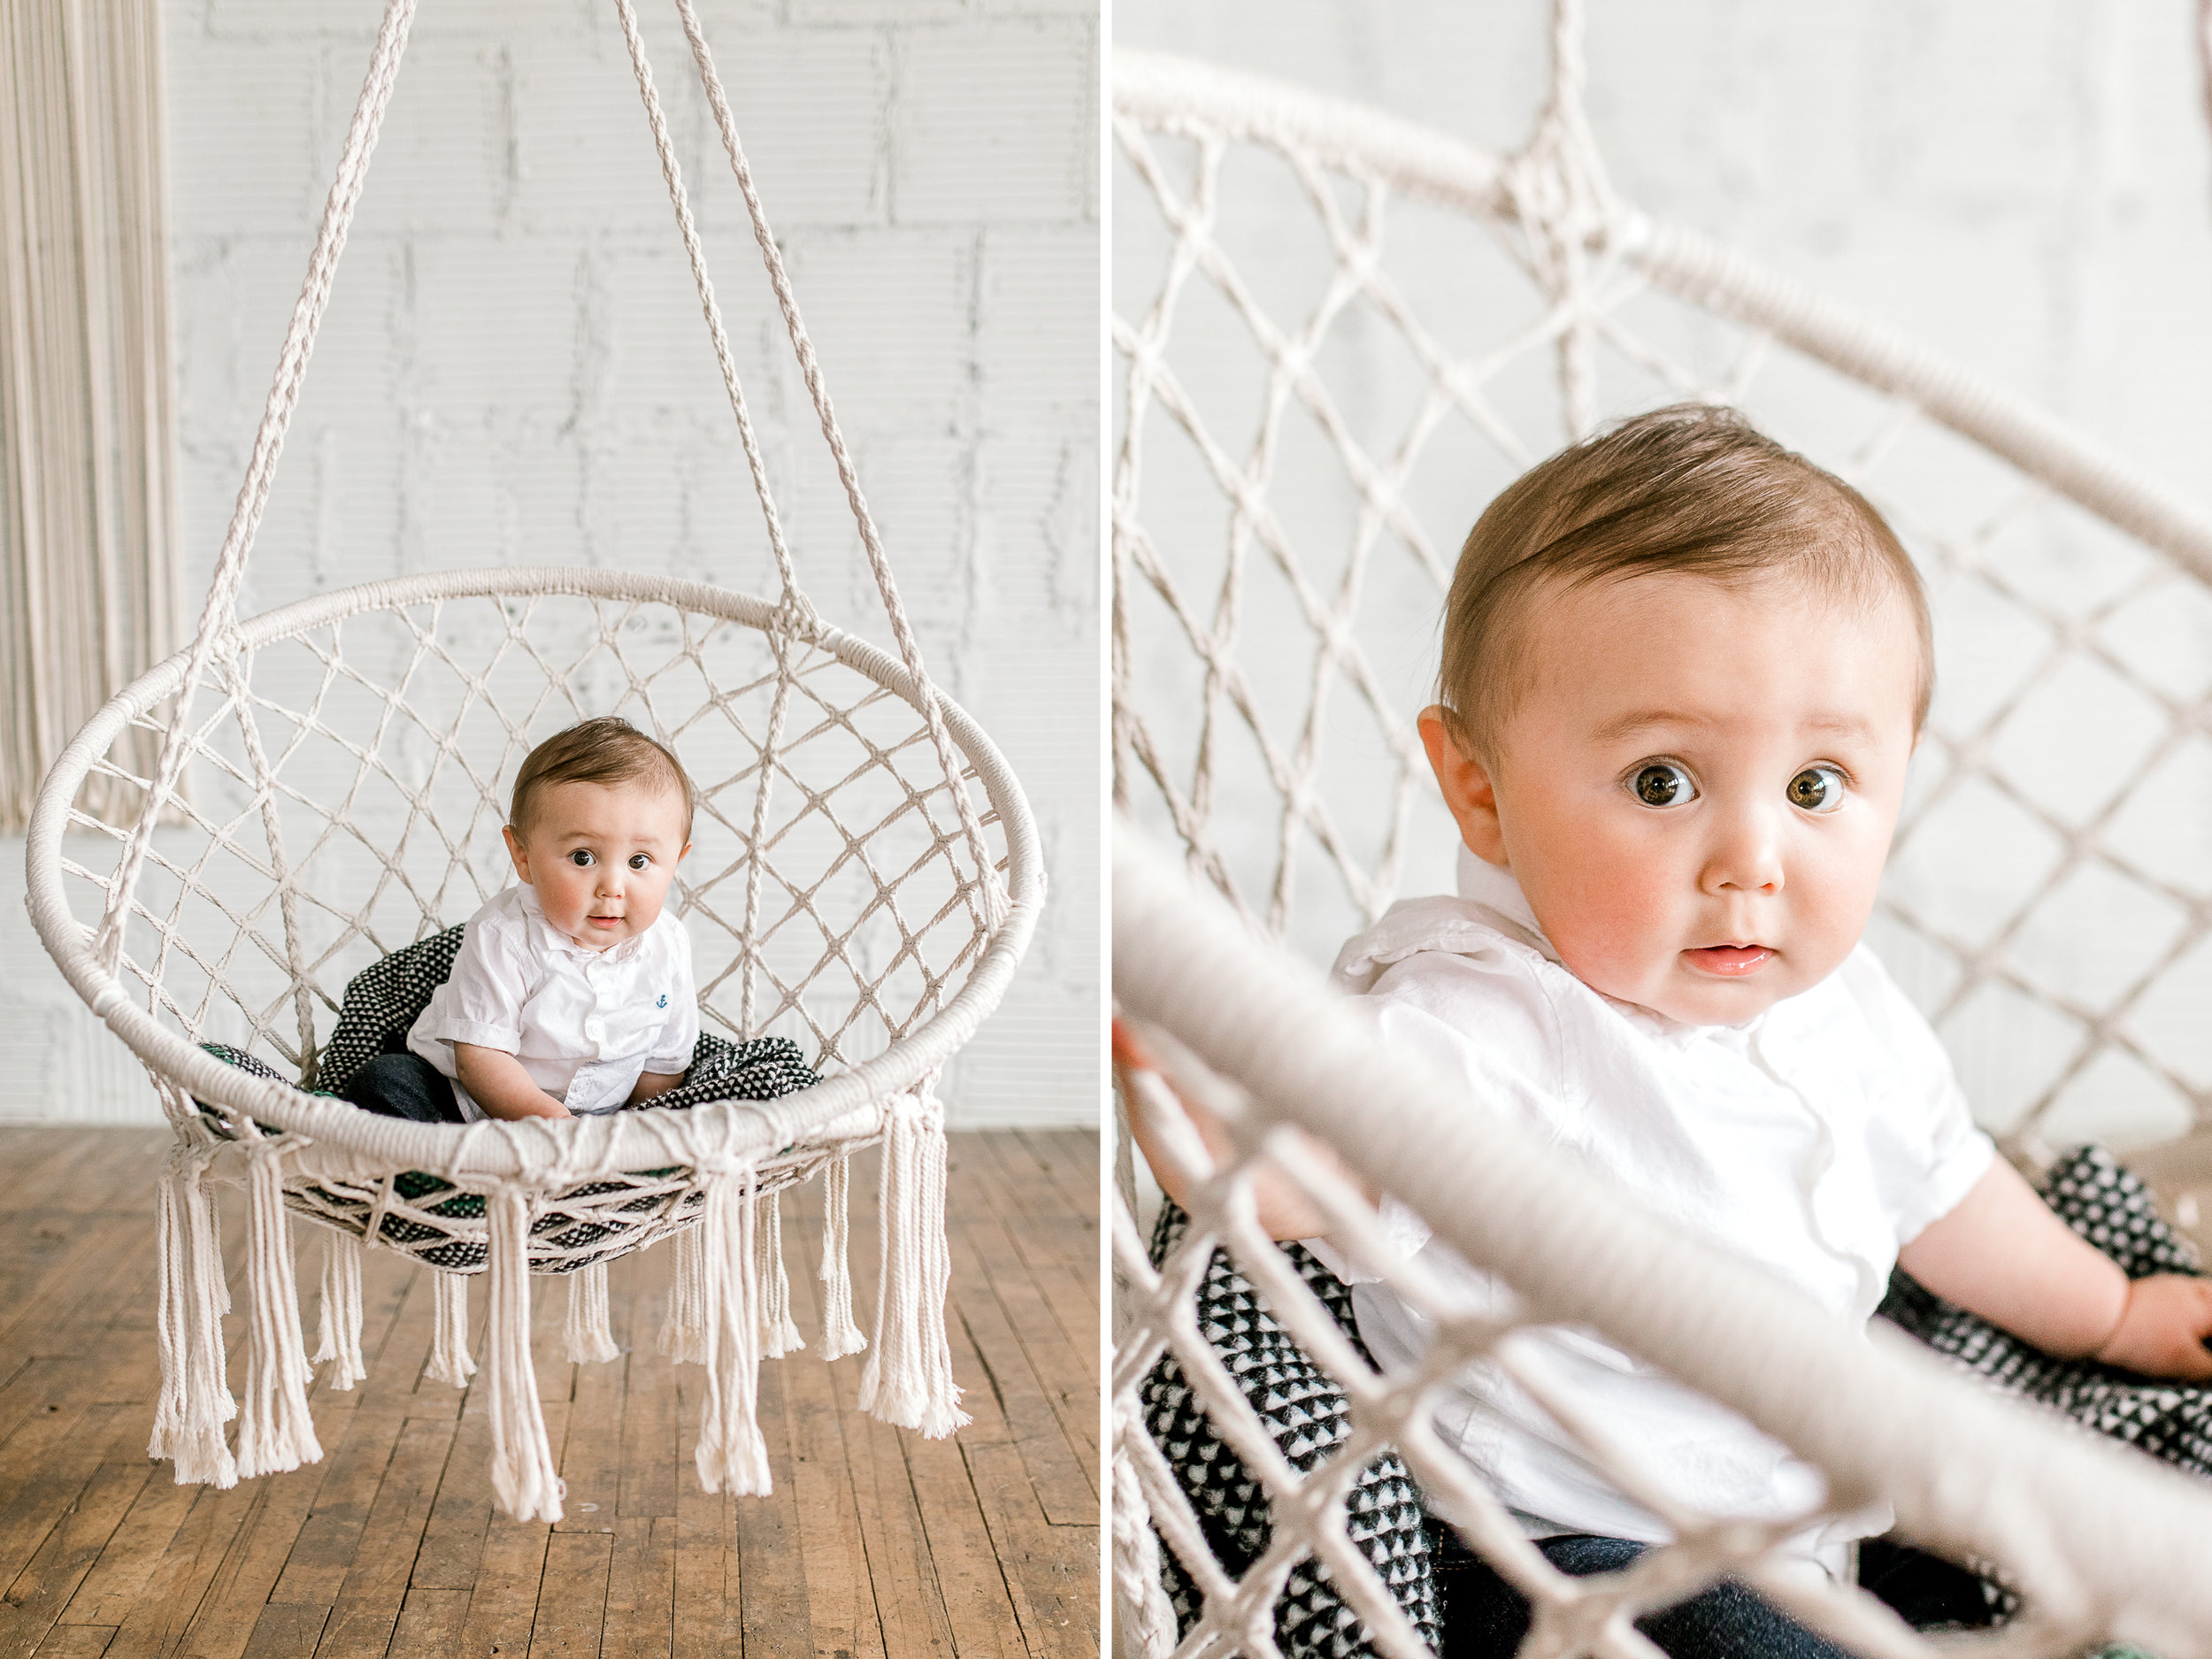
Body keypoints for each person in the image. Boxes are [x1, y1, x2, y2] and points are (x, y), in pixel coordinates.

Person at [1123, 404, 2212, 1655]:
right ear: (1481, 789)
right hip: (1571, 1552)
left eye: (1815, 787)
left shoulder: (1844, 1004)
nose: (1752, 862)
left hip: (1811, 1513)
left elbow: (1951, 1187)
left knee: (2068, 1566)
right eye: (1663, 780)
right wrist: (1195, 1098)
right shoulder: (1486, 1022)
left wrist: (2112, 1312)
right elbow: (1304, 1168)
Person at [342, 715, 698, 1124]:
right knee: (383, 1082)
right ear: (523, 856)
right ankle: (451, 1174)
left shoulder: (668, 945)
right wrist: (557, 1132)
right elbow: (480, 1059)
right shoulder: (503, 935)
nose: (612, 887)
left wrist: (636, 1131)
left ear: (675, 863)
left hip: (601, 1127)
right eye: (583, 857)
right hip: (463, 1104)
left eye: (640, 861)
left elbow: (663, 1065)